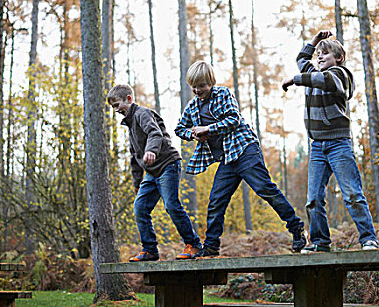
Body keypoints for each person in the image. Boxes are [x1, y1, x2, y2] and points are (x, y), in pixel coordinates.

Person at [175, 61, 306, 258]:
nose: (197, 90)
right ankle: (211, 245)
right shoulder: (193, 106)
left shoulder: (223, 94)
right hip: (227, 159)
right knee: (216, 200)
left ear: (211, 82)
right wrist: (193, 134)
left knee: (265, 189)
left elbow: (233, 119)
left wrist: (208, 129)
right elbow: (179, 129)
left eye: (201, 85)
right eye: (194, 86)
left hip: (244, 150)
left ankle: (297, 228)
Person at [281, 30, 379, 252]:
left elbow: (323, 80)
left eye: (325, 53)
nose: (320, 56)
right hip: (317, 146)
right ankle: (320, 242)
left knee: (352, 194)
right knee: (313, 199)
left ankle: (368, 239)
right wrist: (314, 40)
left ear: (338, 58)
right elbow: (301, 60)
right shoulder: (315, 74)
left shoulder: (340, 75)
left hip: (338, 144)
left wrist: (295, 80)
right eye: (318, 53)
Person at [107, 84, 202, 261]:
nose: (116, 110)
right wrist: (137, 185)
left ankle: (194, 245)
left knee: (171, 205)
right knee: (140, 207)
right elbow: (135, 158)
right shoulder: (130, 125)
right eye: (113, 107)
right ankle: (150, 249)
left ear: (128, 99)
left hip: (168, 164)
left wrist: (151, 150)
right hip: (152, 173)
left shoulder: (142, 114)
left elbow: (155, 134)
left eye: (117, 105)